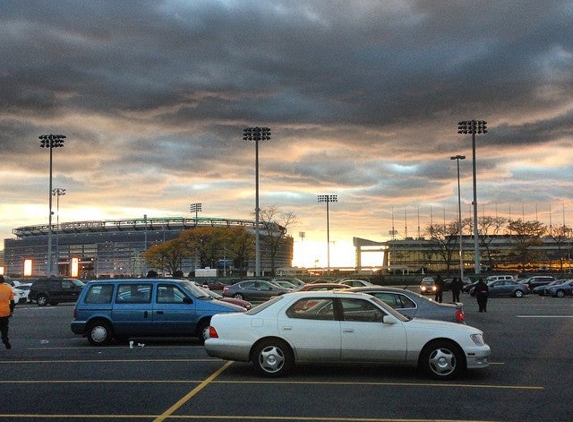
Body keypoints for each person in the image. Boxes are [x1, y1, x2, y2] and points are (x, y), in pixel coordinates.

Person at [0, 275, 15, 349]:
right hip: (5, 312)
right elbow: (12, 302)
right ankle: (5, 339)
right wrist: (11, 311)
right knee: (4, 327)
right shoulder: (8, 289)